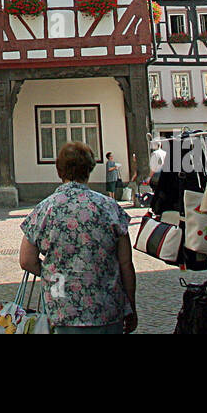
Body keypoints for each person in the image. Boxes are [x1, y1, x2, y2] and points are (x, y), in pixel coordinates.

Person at [19, 141, 138, 334]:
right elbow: (126, 264)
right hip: (107, 310)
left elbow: (26, 261)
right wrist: (131, 305)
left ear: (59, 170)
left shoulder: (45, 209)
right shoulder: (109, 208)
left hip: (63, 310)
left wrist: (54, 275)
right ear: (89, 169)